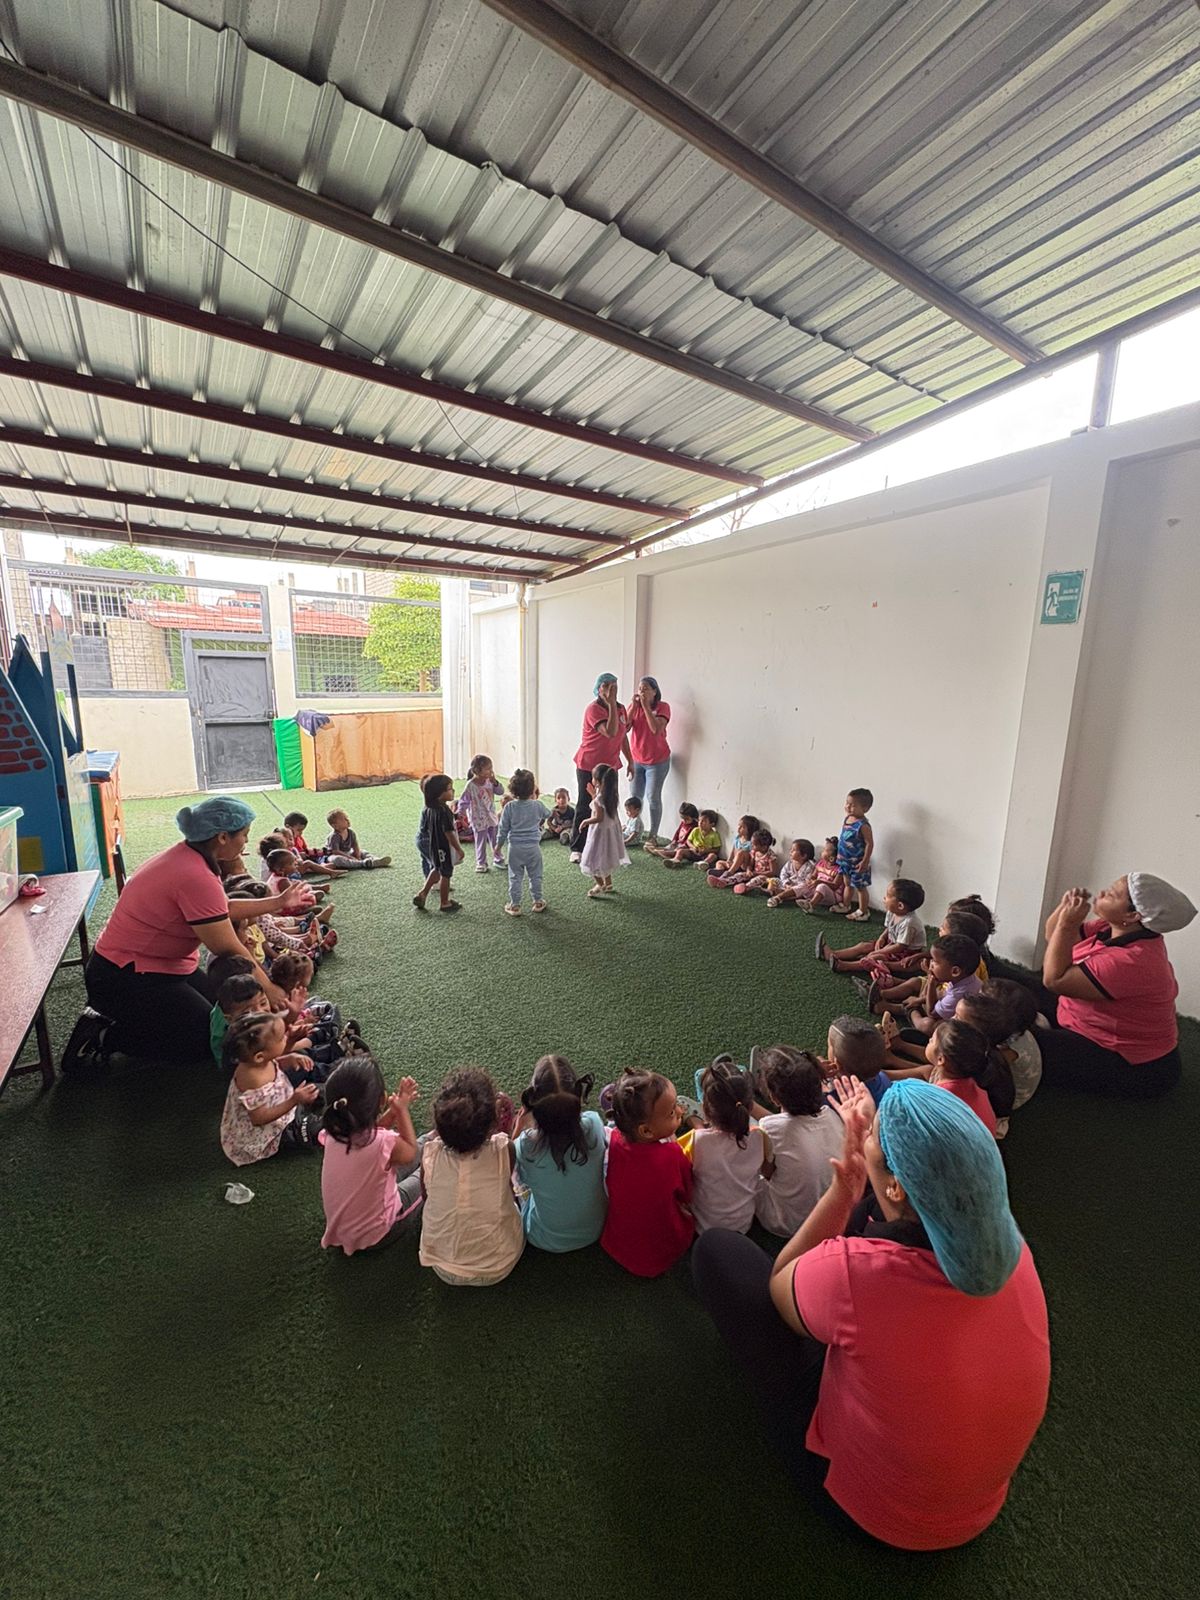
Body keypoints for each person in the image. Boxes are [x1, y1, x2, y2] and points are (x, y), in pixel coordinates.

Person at [692, 1078, 1050, 1550]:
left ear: (897, 1187)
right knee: (864, 1227)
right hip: (975, 1507)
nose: (865, 1138)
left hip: (878, 1516)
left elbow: (779, 1287)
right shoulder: (1014, 1252)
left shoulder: (858, 1274)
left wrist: (843, 1191)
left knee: (718, 1253)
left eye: (872, 1137)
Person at [75, 796, 302, 1068]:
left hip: (161, 966)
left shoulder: (191, 856)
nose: (246, 841)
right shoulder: (194, 875)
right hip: (122, 977)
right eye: (244, 834)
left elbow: (223, 908)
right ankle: (103, 1034)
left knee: (222, 1012)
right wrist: (270, 989)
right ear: (222, 837)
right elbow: (228, 947)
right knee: (206, 1040)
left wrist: (279, 902)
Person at [1038, 873, 1195, 1097]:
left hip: (1136, 1068)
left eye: (1111, 895)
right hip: (1080, 1016)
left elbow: (1054, 980)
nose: (1102, 893)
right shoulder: (1111, 927)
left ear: (1132, 915)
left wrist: (1067, 924)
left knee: (1019, 1043)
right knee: (1014, 990)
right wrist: (1065, 909)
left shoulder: (1133, 961)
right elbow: (1052, 937)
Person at [418, 1068, 525, 1286]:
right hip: (499, 1265)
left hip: (443, 1268)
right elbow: (509, 1191)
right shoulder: (504, 1149)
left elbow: (426, 1198)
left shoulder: (430, 1154)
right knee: (517, 1190)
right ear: (492, 1126)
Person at [319, 1059, 424, 1254]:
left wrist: (393, 1111)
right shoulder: (382, 1143)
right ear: (382, 1099)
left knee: (420, 1150)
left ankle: (434, 1138)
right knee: (428, 1168)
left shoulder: (332, 1134)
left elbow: (372, 1134)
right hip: (378, 1233)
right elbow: (411, 1153)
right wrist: (401, 1110)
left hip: (342, 1231)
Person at [600, 1070, 694, 1277]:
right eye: (672, 1112)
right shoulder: (671, 1154)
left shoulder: (614, 1140)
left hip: (618, 1245)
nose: (680, 1111)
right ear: (646, 1131)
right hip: (664, 1251)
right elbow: (687, 1193)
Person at [512, 1055, 608, 1252]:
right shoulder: (594, 1123)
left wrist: (518, 1129)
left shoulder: (525, 1146)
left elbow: (516, 1170)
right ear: (578, 1097)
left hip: (544, 1238)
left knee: (517, 1183)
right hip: (597, 1228)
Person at [752, 1045, 844, 1238]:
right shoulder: (832, 1115)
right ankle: (749, 1101)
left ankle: (741, 1101)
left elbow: (766, 1173)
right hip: (831, 1218)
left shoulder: (770, 1128)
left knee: (750, 1146)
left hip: (788, 1223)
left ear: (774, 1098)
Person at [219, 1012, 322, 1166]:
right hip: (267, 1134)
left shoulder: (257, 1061)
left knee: (318, 1090)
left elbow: (273, 1062)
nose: (285, 1037)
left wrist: (288, 1056)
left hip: (284, 1102)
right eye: (281, 1038)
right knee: (309, 1128)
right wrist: (294, 1100)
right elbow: (259, 1119)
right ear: (259, 1056)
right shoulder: (252, 1079)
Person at [687, 1060, 772, 1234]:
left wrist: (697, 1127)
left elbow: (683, 1178)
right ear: (750, 1106)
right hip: (743, 1224)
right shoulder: (760, 1135)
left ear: (706, 1111)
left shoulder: (696, 1140)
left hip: (703, 1227)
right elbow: (768, 1172)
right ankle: (735, 1082)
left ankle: (696, 1118)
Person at [569, 674, 631, 858]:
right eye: (605, 686)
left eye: (613, 686)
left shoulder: (620, 709)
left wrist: (631, 760)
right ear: (598, 689)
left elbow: (621, 736)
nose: (610, 690)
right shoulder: (593, 709)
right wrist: (611, 704)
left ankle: (610, 846)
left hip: (610, 766)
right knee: (585, 804)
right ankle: (577, 848)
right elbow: (610, 732)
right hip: (589, 764)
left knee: (610, 804)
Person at [820, 878, 926, 974]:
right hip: (891, 944)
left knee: (875, 957)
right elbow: (889, 929)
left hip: (904, 953)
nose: (884, 898)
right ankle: (833, 954)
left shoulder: (909, 923)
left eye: (888, 896)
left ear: (900, 906)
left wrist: (879, 951)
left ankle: (844, 966)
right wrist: (882, 938)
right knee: (864, 946)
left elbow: (900, 946)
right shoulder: (893, 912)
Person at [925, 1020, 999, 1135]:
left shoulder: (941, 1095)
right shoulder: (967, 1078)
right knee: (926, 1070)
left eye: (932, 1041)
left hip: (966, 1142)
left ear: (940, 1059)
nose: (929, 1040)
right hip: (986, 1136)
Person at [496, 768, 549, 916]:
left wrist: (498, 846)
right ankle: (538, 902)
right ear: (532, 789)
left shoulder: (509, 807)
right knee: (536, 875)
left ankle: (515, 906)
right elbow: (548, 813)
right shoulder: (537, 805)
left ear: (513, 790)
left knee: (515, 877)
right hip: (533, 848)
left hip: (515, 849)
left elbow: (503, 829)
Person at [627, 676, 672, 843]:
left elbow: (655, 729)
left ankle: (653, 834)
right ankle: (634, 829)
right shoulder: (635, 706)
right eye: (640, 689)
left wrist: (646, 706)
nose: (642, 692)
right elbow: (625, 728)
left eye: (645, 689)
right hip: (637, 759)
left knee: (653, 796)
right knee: (635, 797)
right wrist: (633, 707)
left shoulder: (663, 707)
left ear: (654, 691)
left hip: (657, 761)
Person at [413, 773, 464, 913]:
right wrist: (458, 849)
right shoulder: (444, 811)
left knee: (436, 868)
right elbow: (449, 833)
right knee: (446, 873)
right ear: (439, 793)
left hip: (433, 846)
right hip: (443, 847)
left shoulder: (429, 808)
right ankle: (444, 902)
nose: (453, 791)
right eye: (449, 789)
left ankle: (423, 893)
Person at [578, 762, 629, 898]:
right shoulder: (612, 795)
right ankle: (609, 884)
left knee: (592, 860)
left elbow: (599, 817)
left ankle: (600, 885)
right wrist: (593, 795)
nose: (592, 779)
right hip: (609, 832)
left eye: (593, 777)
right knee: (605, 858)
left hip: (599, 833)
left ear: (598, 781)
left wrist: (585, 821)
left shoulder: (599, 799)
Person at [830, 788, 874, 920]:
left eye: (853, 805)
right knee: (847, 884)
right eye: (847, 803)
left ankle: (863, 911)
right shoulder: (847, 819)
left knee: (860, 887)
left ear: (865, 808)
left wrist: (865, 861)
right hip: (845, 861)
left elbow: (869, 844)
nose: (848, 807)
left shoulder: (863, 825)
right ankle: (846, 905)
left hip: (858, 863)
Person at [210, 971, 267, 1065]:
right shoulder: (238, 1042)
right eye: (248, 1012)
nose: (260, 1012)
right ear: (230, 1019)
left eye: (263, 1003)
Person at [462, 754, 506, 872]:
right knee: (480, 840)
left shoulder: (490, 782)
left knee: (495, 838)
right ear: (477, 770)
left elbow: (500, 791)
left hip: (491, 815)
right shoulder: (470, 785)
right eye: (488, 769)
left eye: (491, 768)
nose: (491, 771)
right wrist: (461, 813)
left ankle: (498, 858)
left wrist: (495, 782)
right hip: (477, 817)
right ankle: (481, 862)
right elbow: (464, 800)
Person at [324, 809, 391, 871]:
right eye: (344, 819)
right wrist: (351, 857)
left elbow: (355, 846)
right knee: (337, 859)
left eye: (347, 818)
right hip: (335, 855)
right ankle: (363, 863)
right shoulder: (334, 836)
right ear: (335, 826)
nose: (347, 820)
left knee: (363, 852)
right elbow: (336, 851)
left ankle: (375, 860)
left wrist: (357, 855)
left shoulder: (351, 832)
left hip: (348, 852)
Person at [283, 811, 345, 878]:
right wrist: (299, 856)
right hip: (296, 863)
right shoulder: (286, 841)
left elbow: (305, 849)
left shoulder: (299, 838)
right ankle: (319, 868)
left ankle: (321, 865)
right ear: (287, 827)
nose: (301, 833)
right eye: (298, 830)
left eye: (302, 830)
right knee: (307, 863)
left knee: (319, 856)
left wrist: (313, 851)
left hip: (304, 858)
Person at [794, 837, 845, 911]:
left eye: (825, 850)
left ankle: (810, 905)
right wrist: (811, 880)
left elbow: (835, 886)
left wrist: (819, 882)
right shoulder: (820, 863)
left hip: (832, 897)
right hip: (817, 893)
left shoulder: (839, 869)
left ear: (832, 858)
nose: (822, 851)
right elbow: (813, 876)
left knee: (822, 886)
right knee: (804, 884)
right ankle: (779, 897)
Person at [706, 814, 759, 884]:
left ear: (750, 830)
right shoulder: (738, 838)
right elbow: (733, 850)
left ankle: (729, 873)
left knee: (741, 852)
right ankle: (720, 871)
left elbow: (751, 858)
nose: (739, 828)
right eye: (739, 825)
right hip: (734, 864)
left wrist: (748, 869)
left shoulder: (751, 843)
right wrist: (729, 860)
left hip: (743, 866)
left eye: (742, 827)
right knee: (719, 862)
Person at [766, 838, 817, 908]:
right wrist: (786, 883)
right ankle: (779, 894)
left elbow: (807, 881)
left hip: (798, 888)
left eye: (794, 850)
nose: (790, 851)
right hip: (787, 885)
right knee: (774, 880)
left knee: (804, 888)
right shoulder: (790, 862)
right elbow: (783, 873)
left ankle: (778, 897)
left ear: (803, 856)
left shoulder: (810, 867)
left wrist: (792, 887)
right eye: (791, 849)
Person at [727, 830, 780, 896]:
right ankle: (726, 881)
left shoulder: (771, 856)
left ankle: (746, 887)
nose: (751, 845)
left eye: (754, 845)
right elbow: (750, 864)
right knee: (740, 874)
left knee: (756, 879)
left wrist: (757, 873)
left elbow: (772, 872)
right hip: (753, 874)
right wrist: (748, 870)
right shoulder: (754, 852)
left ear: (763, 847)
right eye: (751, 843)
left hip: (765, 877)